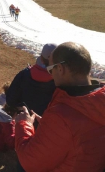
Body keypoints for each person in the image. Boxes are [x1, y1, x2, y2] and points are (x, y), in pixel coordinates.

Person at [15, 42, 105, 171]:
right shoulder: (97, 101)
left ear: (61, 69)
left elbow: (29, 162)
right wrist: (49, 126)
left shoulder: (61, 115)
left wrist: (24, 124)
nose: (50, 74)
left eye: (50, 69)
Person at [6, 43, 57, 117]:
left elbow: (10, 100)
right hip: (43, 123)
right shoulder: (59, 83)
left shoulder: (24, 74)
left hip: (22, 120)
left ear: (41, 59)